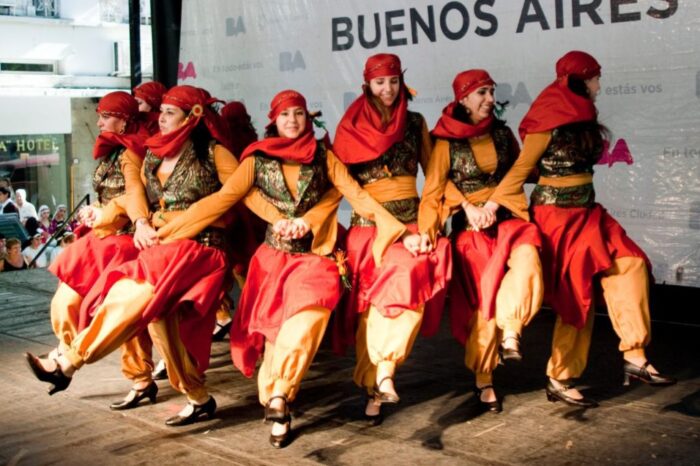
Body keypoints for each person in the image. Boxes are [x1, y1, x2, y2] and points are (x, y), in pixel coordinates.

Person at [153, 89, 407, 447]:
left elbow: (355, 194)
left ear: (308, 118)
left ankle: (280, 395)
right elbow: (224, 199)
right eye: (285, 115)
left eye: (299, 114)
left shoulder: (324, 156)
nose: (292, 120)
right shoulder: (257, 160)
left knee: (303, 324)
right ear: (274, 120)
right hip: (272, 261)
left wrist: (395, 228)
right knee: (275, 336)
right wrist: (164, 232)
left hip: (315, 258)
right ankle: (279, 403)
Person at [25, 85, 278, 426]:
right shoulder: (154, 154)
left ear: (194, 116)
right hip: (163, 243)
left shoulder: (215, 153)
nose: (160, 118)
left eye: (170, 113)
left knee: (133, 290)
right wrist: (142, 220)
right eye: (161, 113)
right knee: (161, 325)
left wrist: (175, 224)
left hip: (201, 248)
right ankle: (198, 397)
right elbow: (134, 192)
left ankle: (68, 360)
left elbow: (230, 198)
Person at [486, 50, 675, 407]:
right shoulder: (548, 117)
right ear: (581, 79)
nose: (599, 85)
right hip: (556, 217)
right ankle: (559, 376)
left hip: (587, 212)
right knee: (578, 297)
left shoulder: (584, 113)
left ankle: (635, 354)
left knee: (631, 263)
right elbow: (522, 167)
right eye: (595, 78)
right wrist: (494, 204)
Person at [332, 53, 452, 423]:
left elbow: (434, 181)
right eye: (380, 82)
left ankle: (385, 369)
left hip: (412, 227)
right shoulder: (349, 125)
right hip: (369, 228)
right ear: (366, 84)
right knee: (371, 311)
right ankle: (374, 384)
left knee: (406, 292)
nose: (388, 89)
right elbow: (344, 183)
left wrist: (429, 226)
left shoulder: (415, 123)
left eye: (394, 81)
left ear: (402, 82)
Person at [417, 69, 544, 412]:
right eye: (482, 93)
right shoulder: (445, 141)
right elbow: (435, 186)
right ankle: (485, 377)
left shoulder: (502, 134)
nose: (490, 99)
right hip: (471, 229)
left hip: (506, 219)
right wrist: (467, 208)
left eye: (491, 92)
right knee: (482, 303)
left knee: (529, 260)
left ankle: (512, 328)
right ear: (463, 99)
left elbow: (520, 171)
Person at [28, 91, 152, 408]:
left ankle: (133, 377)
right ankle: (66, 358)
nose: (98, 122)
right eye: (99, 115)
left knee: (121, 316)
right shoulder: (115, 150)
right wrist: (95, 209)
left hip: (124, 243)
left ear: (124, 119)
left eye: (106, 116)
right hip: (103, 239)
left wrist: (115, 215)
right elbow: (114, 196)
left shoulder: (132, 153)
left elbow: (137, 196)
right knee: (70, 302)